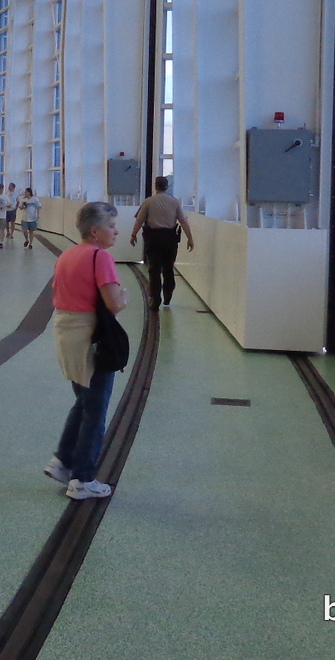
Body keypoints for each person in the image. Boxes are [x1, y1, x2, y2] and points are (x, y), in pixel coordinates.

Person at [45, 202, 127, 500]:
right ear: (95, 231)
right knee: (96, 409)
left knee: (83, 401)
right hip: (91, 340)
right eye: (112, 226)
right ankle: (83, 479)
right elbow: (114, 303)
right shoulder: (100, 257)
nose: (116, 231)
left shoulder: (67, 255)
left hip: (67, 335)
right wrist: (123, 297)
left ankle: (63, 460)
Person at [129, 175, 194, 308]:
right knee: (168, 267)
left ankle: (155, 297)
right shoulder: (174, 202)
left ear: (155, 186)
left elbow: (139, 220)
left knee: (154, 269)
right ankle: (168, 293)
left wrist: (133, 234)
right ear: (167, 186)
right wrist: (190, 238)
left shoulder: (148, 202)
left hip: (153, 239)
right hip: (170, 239)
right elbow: (183, 221)